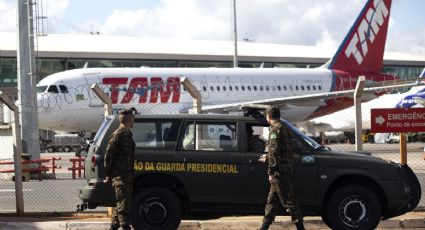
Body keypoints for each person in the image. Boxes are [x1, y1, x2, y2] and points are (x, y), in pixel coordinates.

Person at [258, 106, 304, 230]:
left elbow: (274, 152)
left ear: (269, 116)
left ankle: (301, 227)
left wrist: (271, 171)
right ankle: (264, 227)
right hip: (286, 169)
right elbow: (284, 150)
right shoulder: (285, 128)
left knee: (289, 202)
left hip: (279, 172)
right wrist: (268, 158)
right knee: (271, 201)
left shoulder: (275, 130)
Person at [104, 109, 136, 230]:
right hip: (120, 177)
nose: (134, 121)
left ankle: (113, 227)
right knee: (123, 206)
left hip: (127, 176)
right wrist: (108, 175)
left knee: (121, 205)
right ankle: (125, 226)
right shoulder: (118, 135)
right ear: (128, 120)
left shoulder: (128, 134)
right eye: (133, 119)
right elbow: (109, 155)